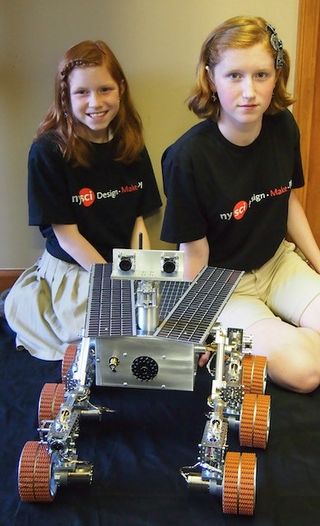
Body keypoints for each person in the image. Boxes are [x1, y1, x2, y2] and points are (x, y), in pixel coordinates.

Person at [161, 16, 320, 394]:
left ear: (276, 77)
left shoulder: (283, 126)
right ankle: (237, 336)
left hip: (278, 262)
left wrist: (317, 258)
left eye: (261, 75)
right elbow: (193, 254)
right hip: (224, 285)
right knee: (305, 372)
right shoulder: (186, 158)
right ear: (211, 77)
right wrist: (193, 323)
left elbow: (288, 200)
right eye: (234, 75)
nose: (249, 91)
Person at [5, 40, 162, 360]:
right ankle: (29, 302)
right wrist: (113, 286)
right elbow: (68, 236)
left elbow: (139, 222)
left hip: (120, 263)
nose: (96, 102)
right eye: (82, 93)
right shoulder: (48, 151)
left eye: (105, 89)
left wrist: (136, 276)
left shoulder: (131, 144)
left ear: (120, 89)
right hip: (74, 265)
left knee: (149, 326)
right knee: (99, 345)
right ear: (65, 96)